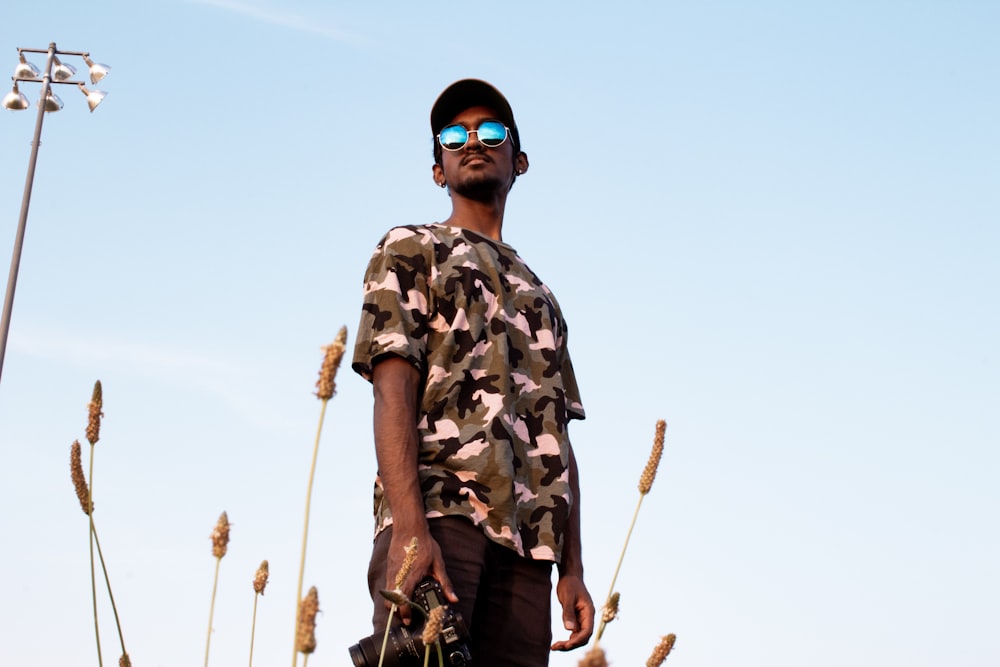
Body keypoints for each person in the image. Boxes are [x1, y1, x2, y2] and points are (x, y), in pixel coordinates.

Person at [351, 78, 594, 666]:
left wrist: (573, 567)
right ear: (438, 170)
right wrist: (410, 526)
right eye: (453, 136)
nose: (471, 143)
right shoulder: (411, 248)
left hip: (528, 552)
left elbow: (557, 440)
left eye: (490, 132)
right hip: (440, 513)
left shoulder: (542, 299)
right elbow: (393, 389)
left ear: (520, 160)